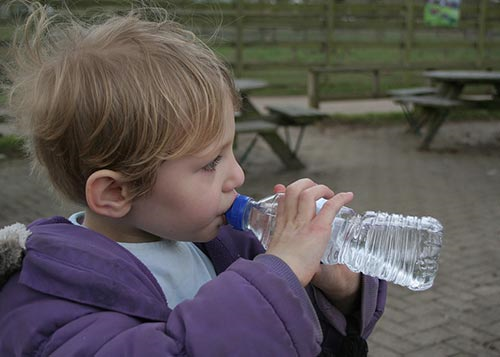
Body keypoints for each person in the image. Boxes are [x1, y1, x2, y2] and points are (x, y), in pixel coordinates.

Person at [0, 3, 386, 356]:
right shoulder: (49, 298)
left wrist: (336, 289)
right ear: (116, 192)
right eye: (209, 163)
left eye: (231, 150)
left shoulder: (224, 244)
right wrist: (277, 278)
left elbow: (301, 338)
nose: (238, 175)